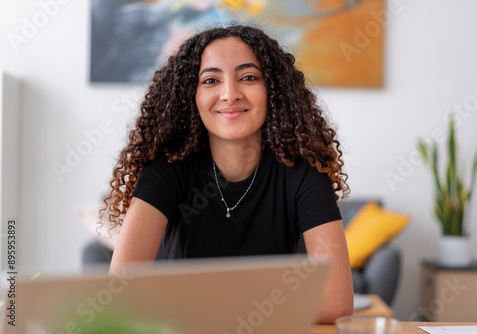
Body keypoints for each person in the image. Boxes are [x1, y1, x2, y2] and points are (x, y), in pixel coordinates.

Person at [100, 24, 353, 323]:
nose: (230, 94)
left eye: (248, 77)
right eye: (210, 80)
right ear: (190, 96)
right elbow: (122, 288)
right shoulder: (166, 171)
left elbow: (337, 303)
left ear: (273, 90)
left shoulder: (304, 173)